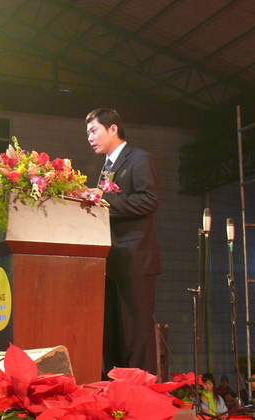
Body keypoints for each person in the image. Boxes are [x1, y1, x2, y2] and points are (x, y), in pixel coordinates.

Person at [85, 108, 161, 376]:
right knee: (113, 332)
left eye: (94, 130)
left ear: (113, 129)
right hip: (111, 260)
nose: (90, 138)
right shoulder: (107, 167)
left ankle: (140, 392)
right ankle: (115, 389)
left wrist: (104, 198)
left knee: (135, 332)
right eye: (88, 133)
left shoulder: (139, 158)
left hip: (135, 258)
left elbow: (149, 200)